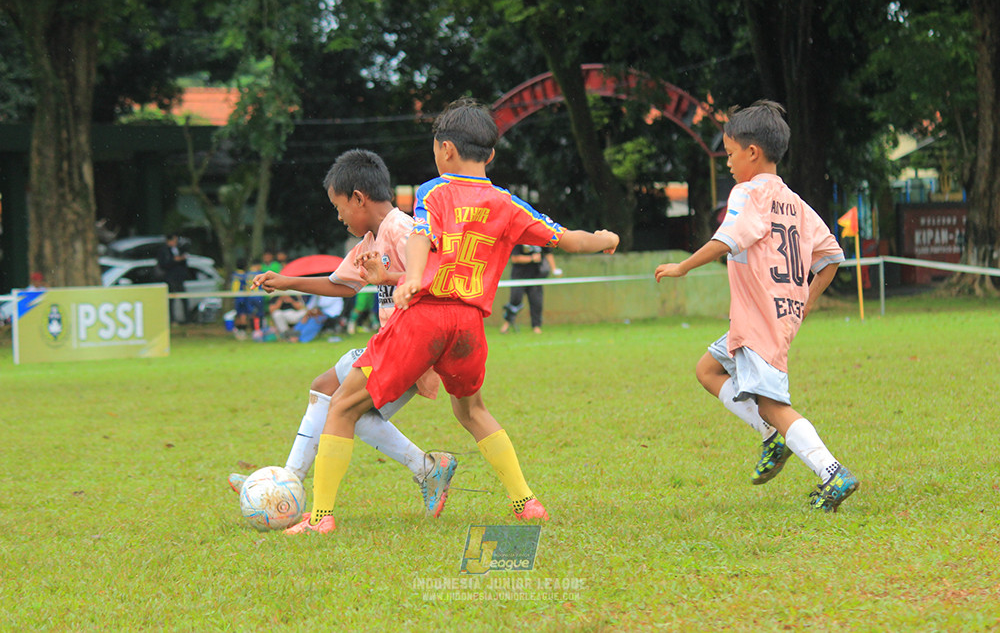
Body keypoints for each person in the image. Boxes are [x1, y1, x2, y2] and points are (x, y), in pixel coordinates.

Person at [285, 97, 619, 535]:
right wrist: (601, 238)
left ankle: (321, 518)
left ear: (444, 150)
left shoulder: (433, 192)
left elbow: (422, 236)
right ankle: (525, 501)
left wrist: (412, 279)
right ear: (491, 154)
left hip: (425, 317)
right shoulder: (507, 203)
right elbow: (564, 239)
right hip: (468, 324)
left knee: (343, 405)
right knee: (472, 410)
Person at [654, 100, 858, 512]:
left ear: (752, 152)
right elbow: (832, 257)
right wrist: (806, 303)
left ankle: (832, 472)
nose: (727, 163)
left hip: (759, 318)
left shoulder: (747, 192)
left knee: (773, 403)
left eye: (729, 154)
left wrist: (683, 266)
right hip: (773, 315)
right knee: (708, 369)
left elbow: (726, 240)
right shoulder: (795, 202)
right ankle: (771, 437)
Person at [234, 148, 455, 517]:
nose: (338, 217)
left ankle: (291, 482)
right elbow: (342, 285)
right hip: (391, 345)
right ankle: (288, 480)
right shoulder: (369, 241)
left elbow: (437, 275)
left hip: (414, 347)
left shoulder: (401, 230)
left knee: (342, 406)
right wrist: (287, 282)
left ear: (359, 198)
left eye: (339, 207)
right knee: (328, 392)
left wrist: (387, 278)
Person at [500, 245, 561, 334]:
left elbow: (548, 253)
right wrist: (531, 258)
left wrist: (554, 269)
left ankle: (536, 327)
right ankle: (506, 324)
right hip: (519, 276)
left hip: (536, 276)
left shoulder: (540, 238)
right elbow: (514, 258)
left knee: (536, 302)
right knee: (515, 301)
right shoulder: (519, 239)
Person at [157, 234, 190, 324]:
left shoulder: (180, 250)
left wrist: (181, 260)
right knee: (170, 300)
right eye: (174, 241)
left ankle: (187, 320)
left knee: (184, 298)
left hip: (180, 278)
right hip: (170, 278)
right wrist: (174, 260)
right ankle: (171, 320)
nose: (176, 243)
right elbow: (163, 264)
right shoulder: (163, 251)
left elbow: (185, 264)